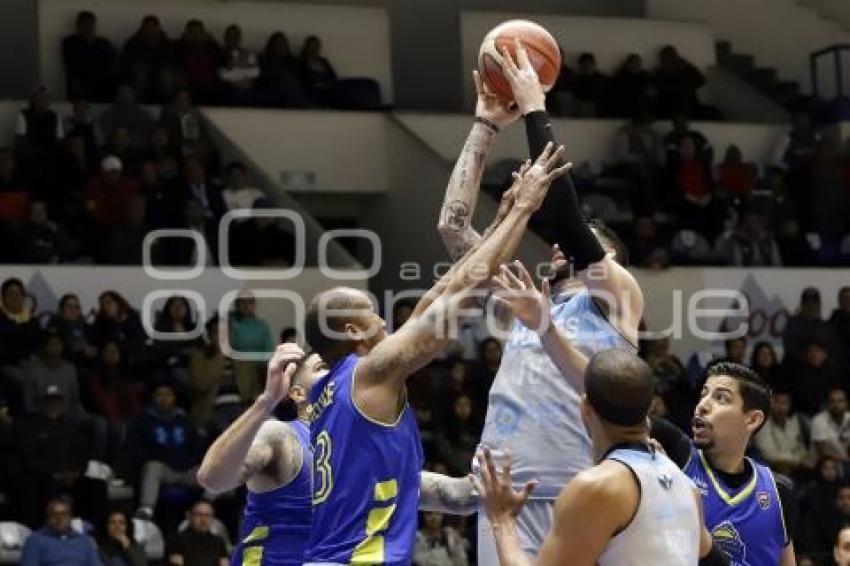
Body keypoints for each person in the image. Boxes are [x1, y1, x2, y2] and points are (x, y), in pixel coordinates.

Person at [302, 140, 568, 563]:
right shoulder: (368, 374)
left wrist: (501, 217)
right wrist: (524, 211)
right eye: (374, 316)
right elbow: (457, 296)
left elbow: (438, 295)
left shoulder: (334, 396)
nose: (387, 323)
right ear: (352, 331)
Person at [437, 40, 644, 561]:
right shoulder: (526, 298)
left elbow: (572, 225)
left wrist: (534, 107)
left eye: (586, 243)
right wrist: (484, 125)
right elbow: (453, 227)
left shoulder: (616, 296)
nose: (558, 246)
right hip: (500, 491)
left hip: (580, 491)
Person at [473, 349, 719, 565]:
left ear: (585, 407)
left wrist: (502, 520)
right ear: (649, 409)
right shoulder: (686, 485)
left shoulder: (596, 487)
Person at [649, 361, 797, 564]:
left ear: (753, 420)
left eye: (720, 398)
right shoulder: (676, 453)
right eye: (704, 394)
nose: (702, 405)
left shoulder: (779, 492)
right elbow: (610, 399)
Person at [198, 344, 323, 565]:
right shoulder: (281, 435)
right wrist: (266, 401)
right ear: (298, 393)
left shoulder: (355, 449)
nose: (336, 374)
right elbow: (212, 479)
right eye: (323, 367)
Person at [123, 381, 204, 520]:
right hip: (162, 470)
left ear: (174, 397)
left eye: (168, 394)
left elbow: (196, 447)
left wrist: (188, 463)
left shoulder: (184, 419)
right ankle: (147, 509)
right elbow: (136, 450)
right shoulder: (143, 420)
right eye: (159, 394)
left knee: (212, 471)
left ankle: (206, 504)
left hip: (186, 471)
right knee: (152, 467)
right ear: (153, 397)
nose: (164, 398)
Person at [21, 497, 104, 566]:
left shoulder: (84, 541)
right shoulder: (34, 540)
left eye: (64, 514)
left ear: (71, 517)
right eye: (54, 514)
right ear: (48, 518)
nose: (59, 518)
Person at [754, 389, 811, 477]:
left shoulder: (793, 422)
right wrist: (794, 460)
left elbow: (801, 448)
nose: (780, 407)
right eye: (777, 402)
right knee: (783, 466)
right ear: (770, 403)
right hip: (770, 466)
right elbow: (770, 454)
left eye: (784, 403)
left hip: (796, 465)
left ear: (789, 405)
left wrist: (798, 460)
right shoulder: (762, 423)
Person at [61, 11, 116, 102]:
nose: (89, 28)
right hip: (82, 82)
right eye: (85, 24)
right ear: (78, 26)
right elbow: (73, 65)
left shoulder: (103, 43)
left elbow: (111, 62)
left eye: (91, 25)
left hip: (102, 82)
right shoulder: (70, 42)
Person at [166, 499, 228, 566]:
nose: (203, 519)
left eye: (207, 515)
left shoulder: (219, 541)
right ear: (189, 516)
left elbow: (224, 563)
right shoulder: (176, 539)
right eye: (199, 514)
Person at [98, 84, 154, 150]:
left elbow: (145, 135)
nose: (125, 95)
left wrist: (129, 142)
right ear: (117, 97)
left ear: (134, 95)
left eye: (128, 92)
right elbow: (107, 132)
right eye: (122, 93)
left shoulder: (144, 115)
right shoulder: (109, 114)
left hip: (138, 150)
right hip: (114, 150)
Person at [811, 386, 850, 465]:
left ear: (846, 404)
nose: (836, 405)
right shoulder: (819, 420)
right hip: (824, 462)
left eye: (840, 401)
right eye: (832, 401)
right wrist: (847, 460)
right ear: (827, 404)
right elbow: (825, 451)